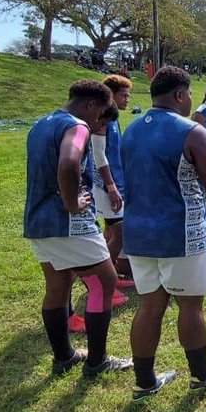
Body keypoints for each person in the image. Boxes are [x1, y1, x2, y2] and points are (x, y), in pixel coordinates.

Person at [121, 66, 206, 400]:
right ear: (181, 95)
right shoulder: (192, 132)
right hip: (182, 234)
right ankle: (201, 375)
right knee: (190, 306)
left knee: (149, 306)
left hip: (138, 233)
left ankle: (144, 382)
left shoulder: (131, 129)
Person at [24, 80, 131, 377]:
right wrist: (71, 201)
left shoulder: (41, 123)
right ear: (90, 105)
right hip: (67, 220)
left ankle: (64, 357)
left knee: (58, 286)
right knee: (105, 281)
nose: (98, 122)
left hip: (38, 219)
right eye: (99, 115)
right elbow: (70, 162)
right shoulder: (77, 126)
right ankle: (97, 361)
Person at [86, 75, 136, 303]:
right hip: (106, 185)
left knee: (112, 230)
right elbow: (98, 155)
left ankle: (112, 276)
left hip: (116, 182)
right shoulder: (102, 120)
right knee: (119, 232)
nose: (128, 99)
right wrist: (111, 186)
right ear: (111, 94)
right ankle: (101, 280)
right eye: (124, 95)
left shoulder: (113, 119)